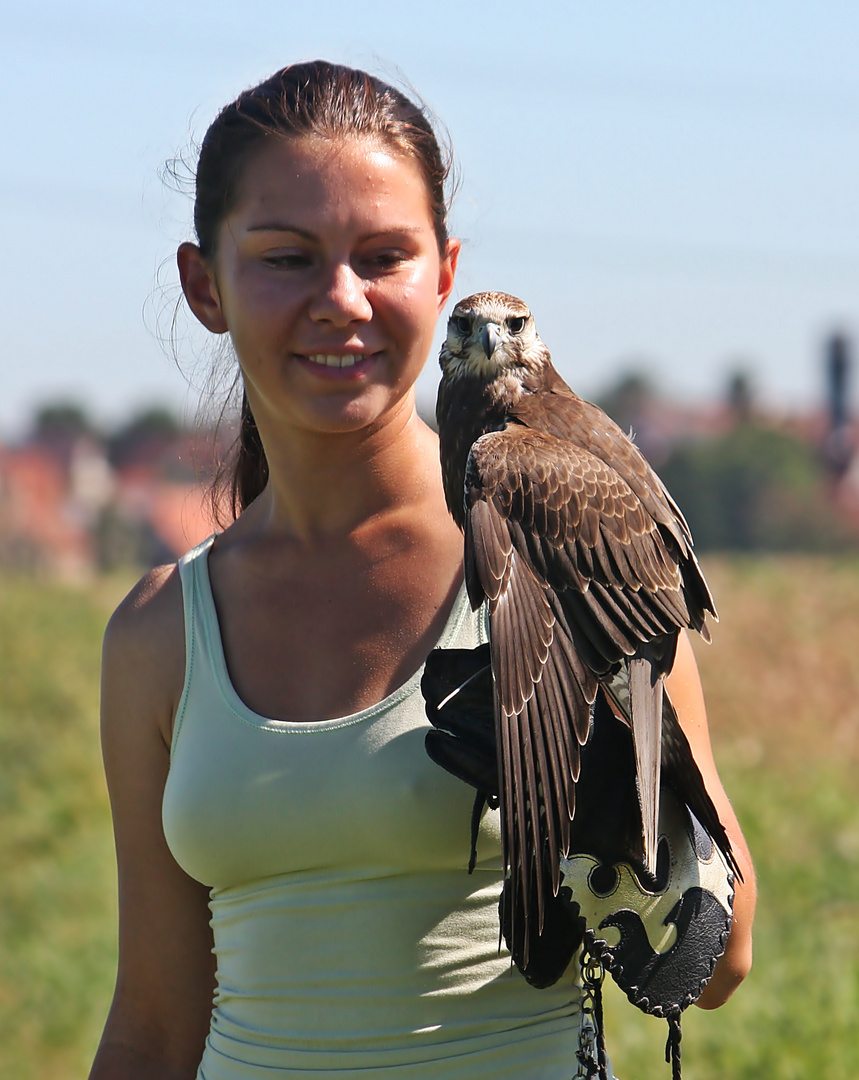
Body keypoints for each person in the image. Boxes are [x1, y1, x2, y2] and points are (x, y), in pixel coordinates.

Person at [89, 60, 755, 1080]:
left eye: (383, 256)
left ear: (443, 276)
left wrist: (619, 807)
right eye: (287, 257)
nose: (341, 300)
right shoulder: (159, 630)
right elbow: (152, 1026)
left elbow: (720, 957)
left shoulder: (557, 537)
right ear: (203, 284)